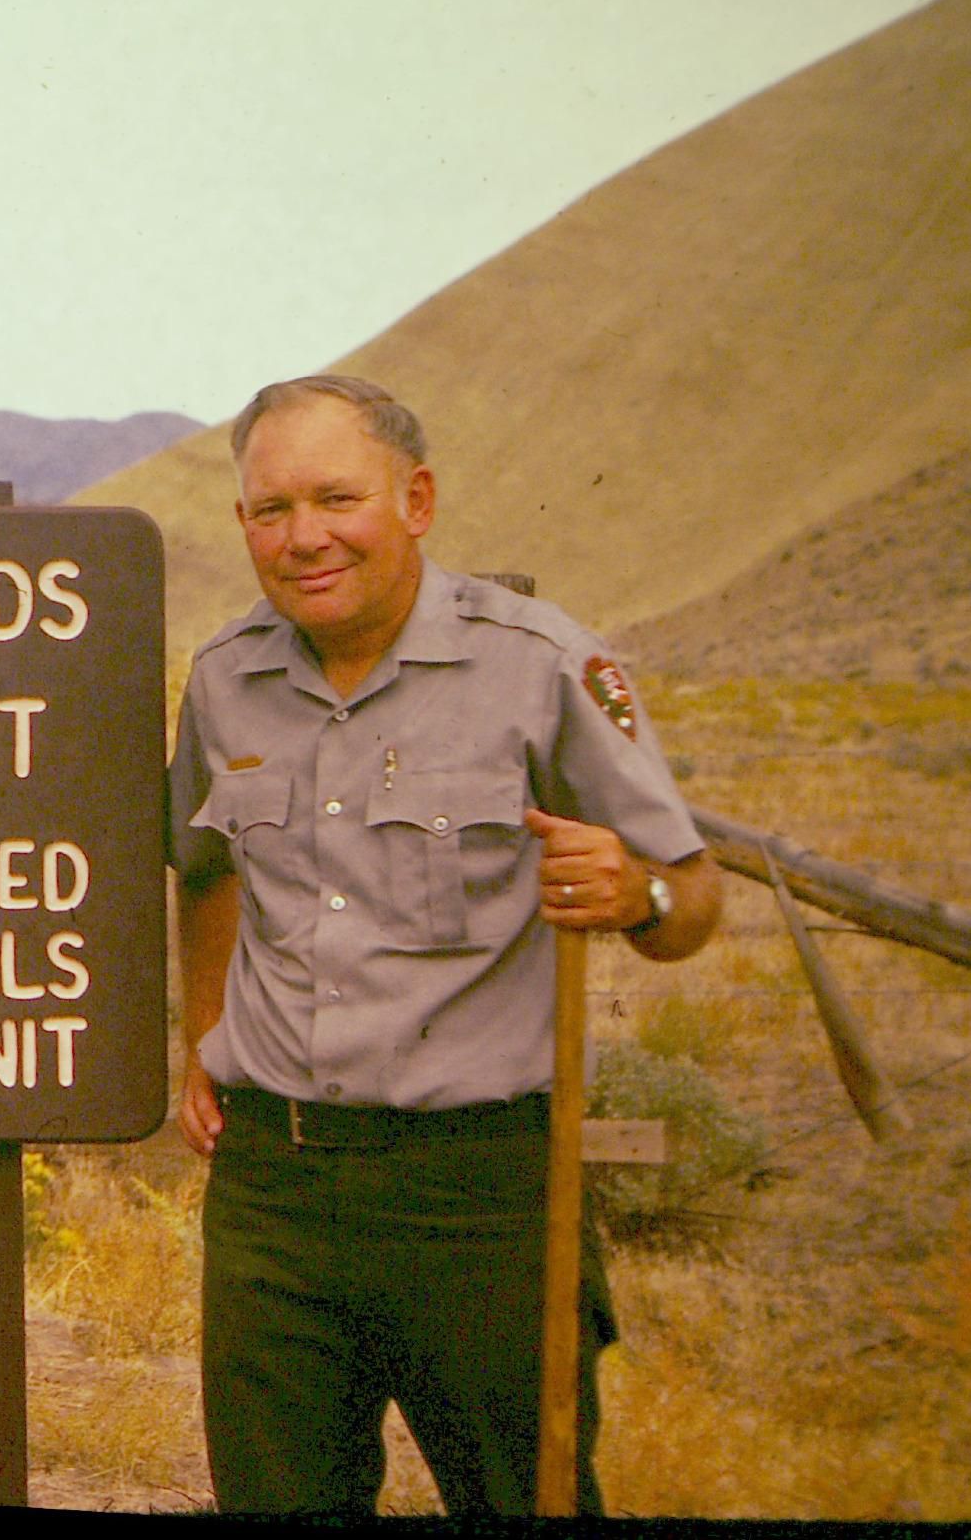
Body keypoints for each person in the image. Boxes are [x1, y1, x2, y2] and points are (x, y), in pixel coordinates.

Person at [168, 373, 724, 1516]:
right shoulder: (224, 679)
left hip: (482, 1197)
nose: (304, 535)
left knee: (526, 1500)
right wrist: (203, 1034)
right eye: (272, 509)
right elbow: (209, 864)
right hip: (275, 1188)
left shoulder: (540, 666)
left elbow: (694, 892)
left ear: (415, 499)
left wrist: (636, 896)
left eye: (338, 497)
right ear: (242, 525)